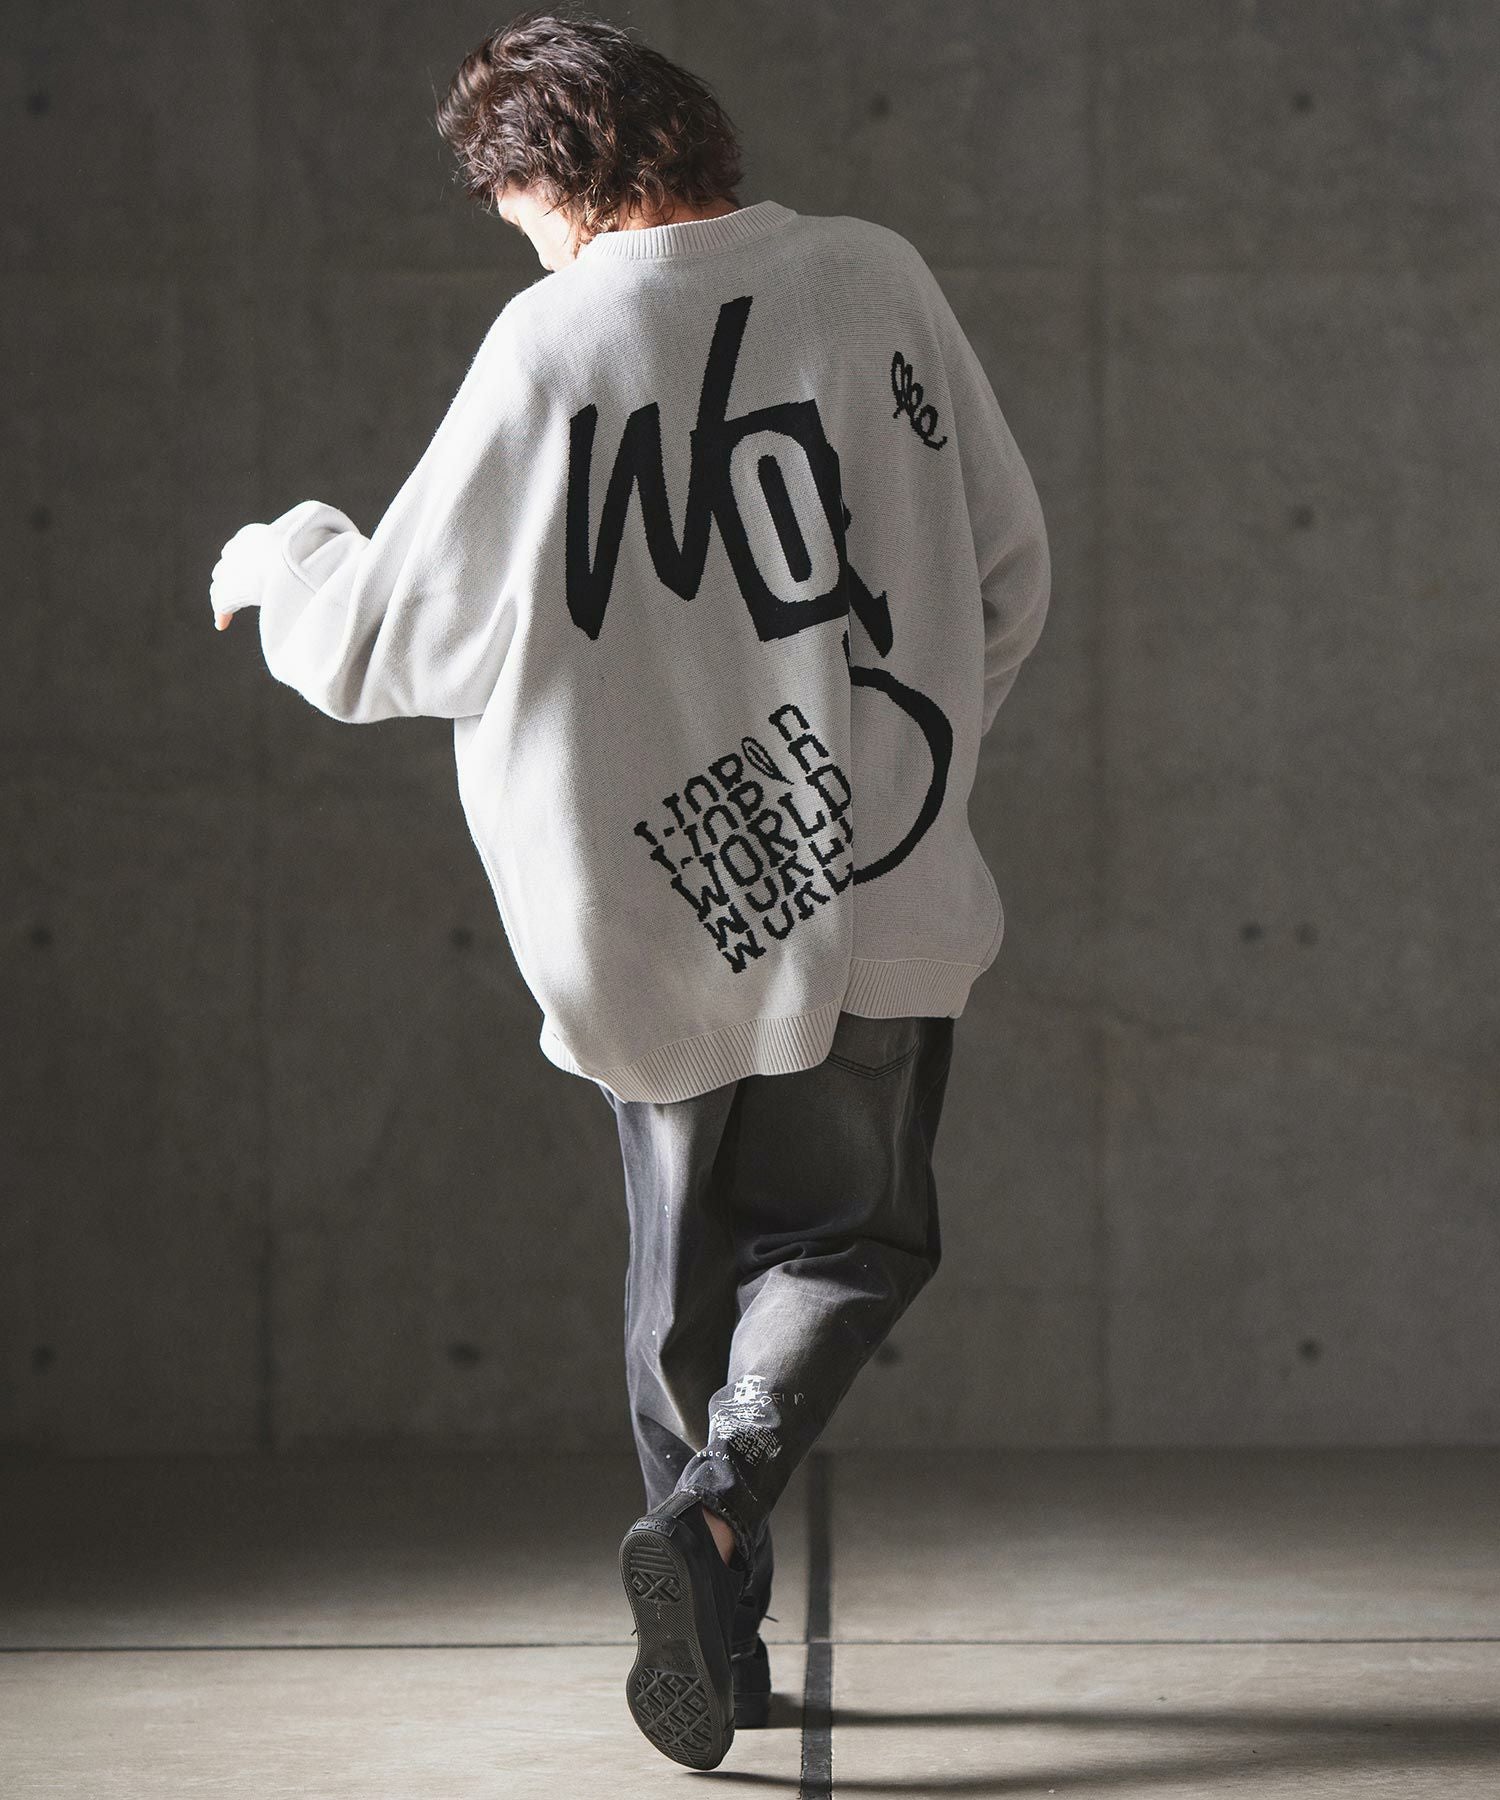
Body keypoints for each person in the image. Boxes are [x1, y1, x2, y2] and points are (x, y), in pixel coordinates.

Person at [209, 6, 1049, 1773]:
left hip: (654, 910)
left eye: (512, 203)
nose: (517, 239)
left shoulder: (558, 338)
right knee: (852, 1238)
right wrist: (899, 764)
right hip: (871, 873)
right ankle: (719, 1517)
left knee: (681, 1297)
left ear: (556, 170)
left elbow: (386, 640)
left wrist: (282, 557)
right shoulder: (873, 279)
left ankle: (714, 1622)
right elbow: (1003, 569)